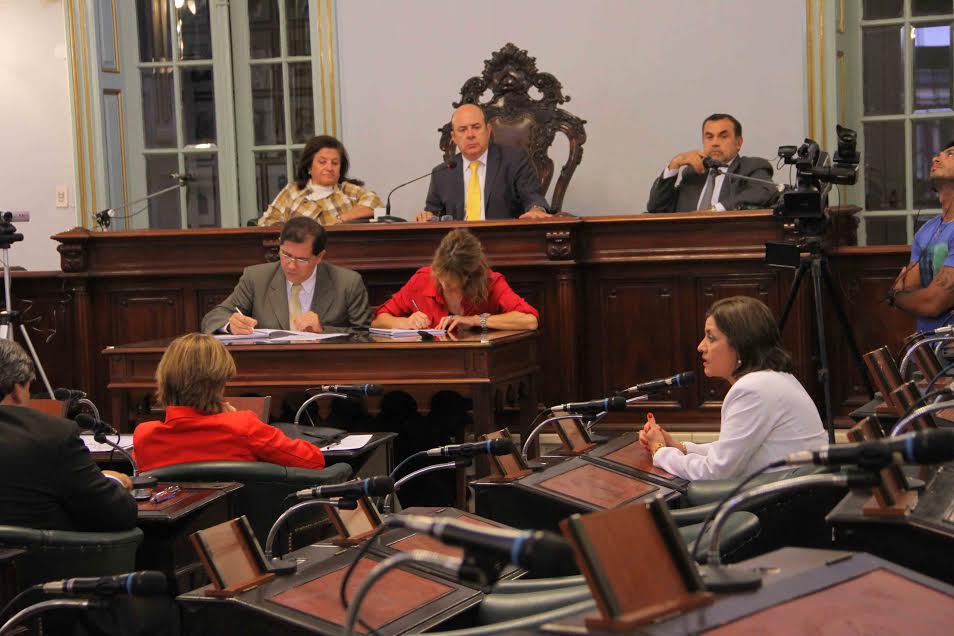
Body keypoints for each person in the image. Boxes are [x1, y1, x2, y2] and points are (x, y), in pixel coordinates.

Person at [638, 296, 827, 481]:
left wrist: (660, 452)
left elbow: (714, 472)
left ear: (740, 344)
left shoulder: (752, 390)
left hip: (785, 498)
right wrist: (680, 448)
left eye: (711, 338)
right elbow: (732, 452)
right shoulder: (772, 379)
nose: (701, 346)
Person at [134, 333, 326, 472]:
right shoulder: (242, 425)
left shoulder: (145, 436)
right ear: (218, 383)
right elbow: (314, 460)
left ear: (164, 380)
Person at [0, 339, 137, 531]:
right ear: (16, 389)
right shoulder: (54, 435)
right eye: (29, 387)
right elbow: (118, 513)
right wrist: (115, 482)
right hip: (46, 550)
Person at [201, 216, 372, 334]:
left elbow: (364, 335)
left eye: (302, 259)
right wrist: (230, 325)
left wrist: (322, 329)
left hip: (326, 367)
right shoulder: (256, 278)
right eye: (286, 255)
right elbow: (213, 318)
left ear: (320, 256)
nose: (291, 265)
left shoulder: (348, 283)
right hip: (269, 366)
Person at [372, 228, 539, 332]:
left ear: (469, 276)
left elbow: (530, 321)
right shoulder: (423, 279)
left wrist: (475, 320)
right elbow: (378, 320)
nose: (444, 286)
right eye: (440, 279)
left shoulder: (490, 282)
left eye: (451, 285)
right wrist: (406, 322)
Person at [416, 104, 550, 222]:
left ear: (488, 130)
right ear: (454, 137)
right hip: (459, 241)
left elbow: (532, 197)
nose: (470, 135)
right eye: (462, 129)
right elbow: (433, 215)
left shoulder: (514, 160)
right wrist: (427, 216)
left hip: (503, 239)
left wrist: (536, 210)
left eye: (476, 127)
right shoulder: (442, 173)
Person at [646, 113, 778, 213]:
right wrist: (675, 163)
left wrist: (715, 211)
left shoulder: (751, 167)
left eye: (723, 136)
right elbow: (656, 208)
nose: (715, 143)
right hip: (688, 239)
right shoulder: (693, 174)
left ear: (738, 143)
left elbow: (765, 191)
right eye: (709, 137)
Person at [888, 139, 954, 331]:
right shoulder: (925, 231)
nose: (935, 158)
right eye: (937, 155)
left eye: (950, 154)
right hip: (924, 345)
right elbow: (909, 287)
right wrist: (902, 294)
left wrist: (894, 296)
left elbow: (932, 303)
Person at [258, 135, 382, 226]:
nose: (329, 168)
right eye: (322, 162)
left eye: (335, 163)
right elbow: (267, 222)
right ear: (309, 166)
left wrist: (342, 219)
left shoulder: (346, 189)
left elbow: (375, 203)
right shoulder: (293, 191)